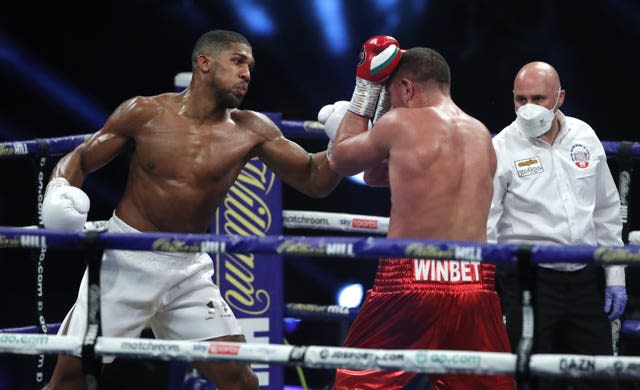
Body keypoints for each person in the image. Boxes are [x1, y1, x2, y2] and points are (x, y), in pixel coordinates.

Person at [40, 29, 341, 390]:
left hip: (187, 270)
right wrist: (59, 190)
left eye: (250, 66)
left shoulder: (252, 130)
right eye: (238, 61)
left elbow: (314, 179)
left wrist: (345, 144)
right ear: (204, 64)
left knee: (241, 381)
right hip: (126, 258)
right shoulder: (145, 112)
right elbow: (82, 157)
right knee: (70, 379)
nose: (247, 73)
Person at [320, 36, 516, 389]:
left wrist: (366, 89)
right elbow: (377, 174)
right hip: (474, 281)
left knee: (358, 382)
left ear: (407, 88)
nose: (391, 104)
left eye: (391, 95)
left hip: (411, 276)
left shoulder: (401, 125)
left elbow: (341, 159)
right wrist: (385, 115)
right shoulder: (481, 134)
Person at [487, 61, 627, 389]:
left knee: (601, 379)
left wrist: (615, 278)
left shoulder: (584, 136)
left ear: (560, 97)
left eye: (538, 98)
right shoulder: (501, 147)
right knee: (533, 381)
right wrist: (490, 290)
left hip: (584, 279)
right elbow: (488, 224)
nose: (528, 108)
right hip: (528, 281)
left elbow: (606, 214)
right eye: (520, 99)